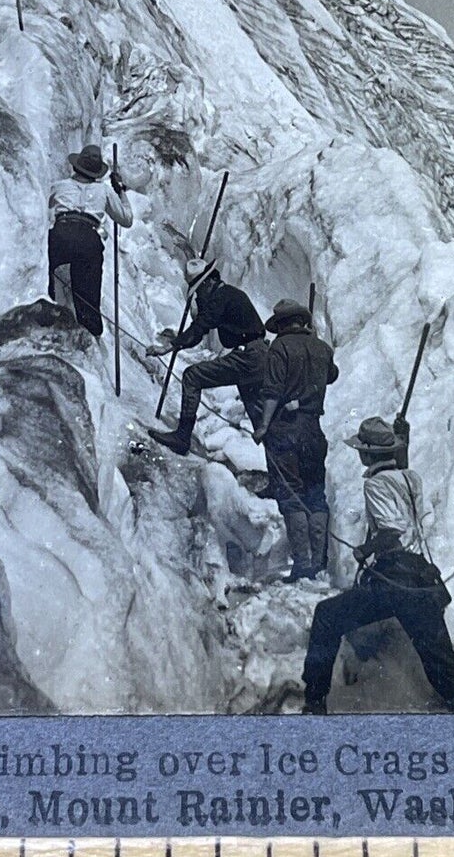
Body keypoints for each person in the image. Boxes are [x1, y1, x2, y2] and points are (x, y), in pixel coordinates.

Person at [300, 414, 454, 715]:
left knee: (327, 616)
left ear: (367, 453)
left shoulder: (375, 485)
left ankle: (314, 703)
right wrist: (402, 444)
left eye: (361, 450)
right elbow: (402, 484)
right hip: (422, 577)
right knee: (441, 662)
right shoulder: (410, 478)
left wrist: (364, 550)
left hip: (396, 578)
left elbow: (392, 529)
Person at [253, 299, 338, 582]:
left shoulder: (279, 347)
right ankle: (319, 561)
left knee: (291, 495)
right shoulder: (322, 347)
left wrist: (263, 426)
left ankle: (302, 564)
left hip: (285, 429)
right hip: (313, 429)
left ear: (281, 325)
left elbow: (272, 391)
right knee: (315, 494)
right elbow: (332, 375)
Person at [147, 260, 267, 455]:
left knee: (192, 376)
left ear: (207, 283)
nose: (198, 296)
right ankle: (283, 474)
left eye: (198, 291)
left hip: (248, 357)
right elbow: (201, 327)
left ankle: (182, 437)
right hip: (257, 356)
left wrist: (169, 347)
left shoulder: (221, 296)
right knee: (260, 417)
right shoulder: (228, 294)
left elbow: (200, 327)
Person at [47, 146, 132, 338]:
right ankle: (91, 328)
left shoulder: (59, 186)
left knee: (50, 275)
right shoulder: (105, 190)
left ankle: (48, 311)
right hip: (88, 237)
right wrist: (121, 192)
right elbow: (126, 219)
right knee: (88, 289)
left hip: (61, 232)